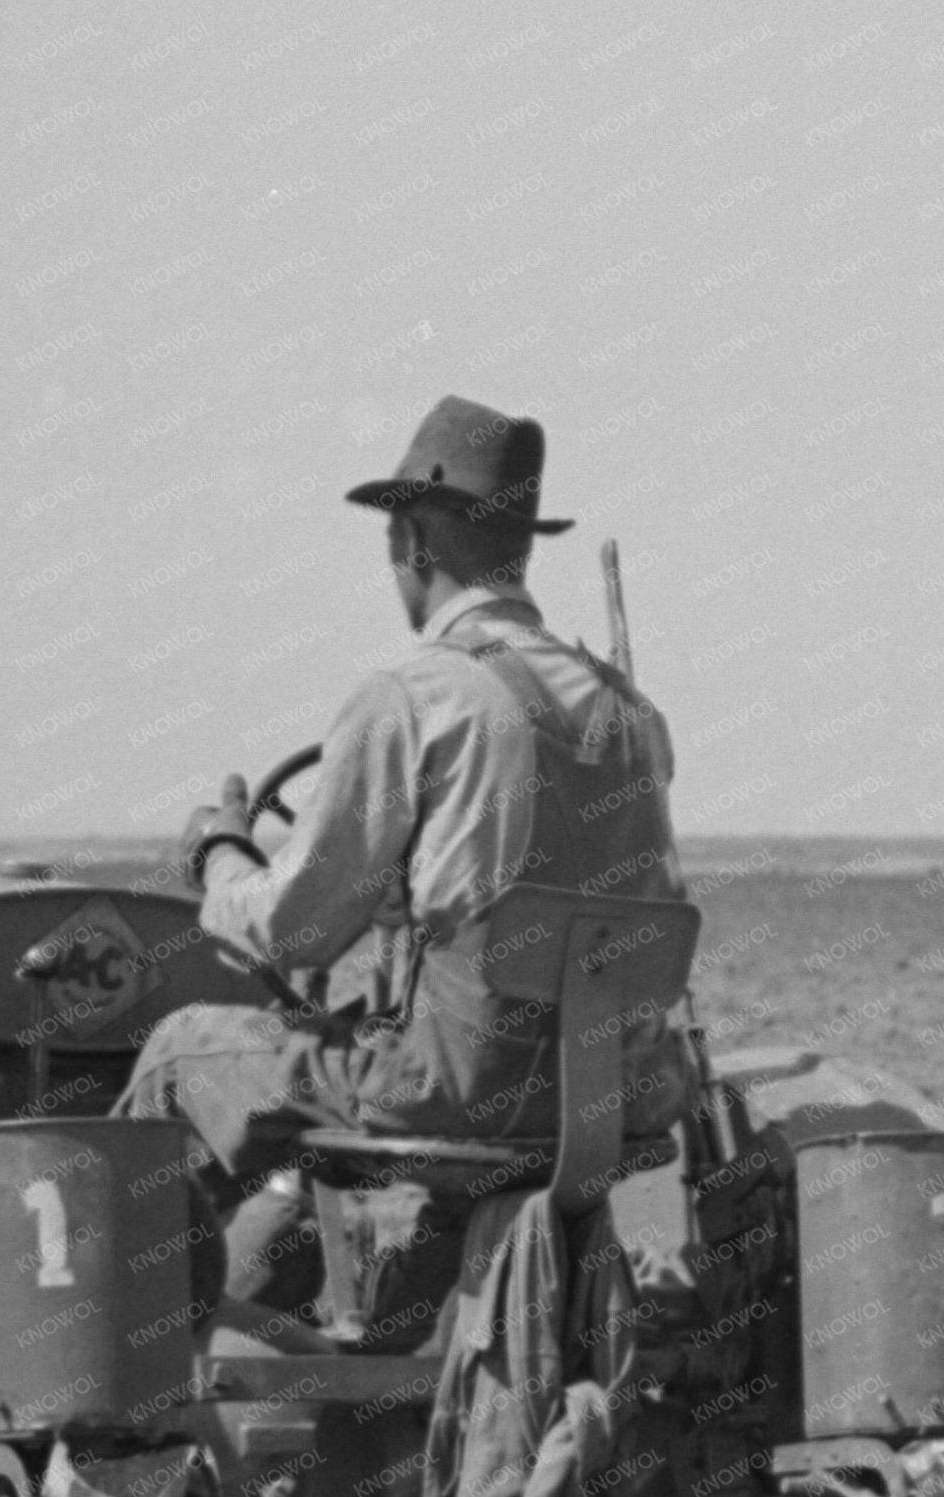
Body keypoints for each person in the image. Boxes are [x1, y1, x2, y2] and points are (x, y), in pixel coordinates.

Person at [117, 395, 690, 1339]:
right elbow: (520, 887)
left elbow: (296, 926)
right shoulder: (632, 713)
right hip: (614, 1092)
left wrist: (221, 858)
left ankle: (111, 1361)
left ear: (415, 543)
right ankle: (376, 1379)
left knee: (185, 1052)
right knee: (418, 1118)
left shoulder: (416, 695)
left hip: (462, 1095)